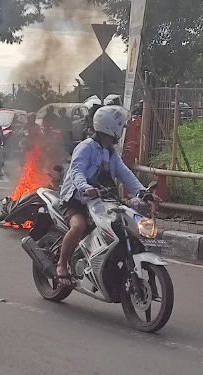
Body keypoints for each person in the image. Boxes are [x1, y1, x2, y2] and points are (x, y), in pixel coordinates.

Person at [56, 106, 149, 286]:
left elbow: (126, 174)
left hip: (102, 201)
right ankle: (61, 265)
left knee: (120, 225)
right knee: (78, 225)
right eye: (121, 127)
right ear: (111, 127)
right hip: (76, 200)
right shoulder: (86, 147)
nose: (123, 131)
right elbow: (76, 171)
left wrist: (143, 192)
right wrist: (85, 187)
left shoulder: (111, 152)